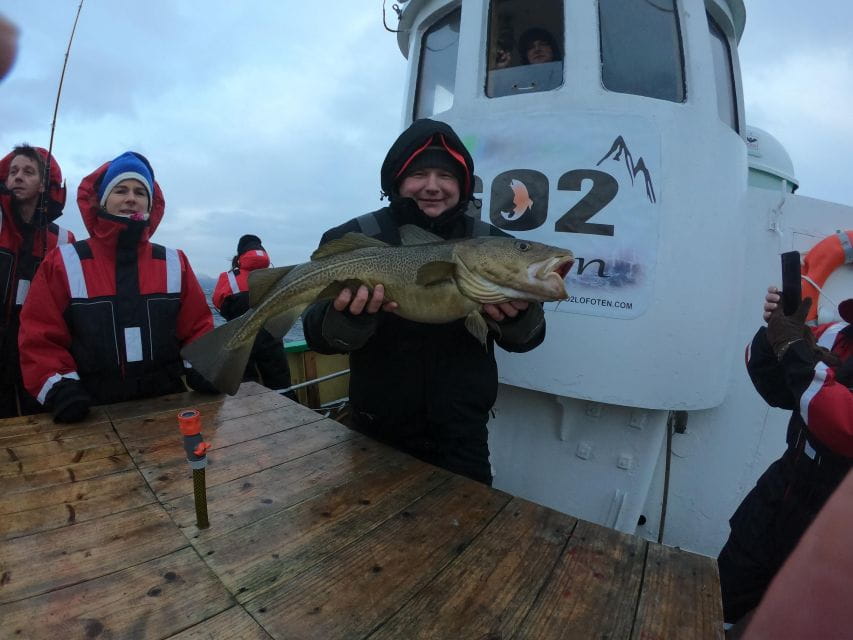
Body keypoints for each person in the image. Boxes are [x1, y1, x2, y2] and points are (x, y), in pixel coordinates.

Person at [302, 118, 547, 485]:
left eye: (446, 176)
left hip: (463, 436)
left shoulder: (494, 244)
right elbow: (315, 333)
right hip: (374, 432)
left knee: (466, 519)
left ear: (462, 185)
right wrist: (349, 319)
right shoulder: (355, 237)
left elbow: (529, 338)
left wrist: (516, 319)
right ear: (397, 181)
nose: (433, 186)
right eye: (418, 174)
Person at [18, 151, 215, 423]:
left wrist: (204, 367)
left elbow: (197, 328)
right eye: (120, 190)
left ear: (150, 204)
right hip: (90, 412)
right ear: (102, 201)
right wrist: (60, 387)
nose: (131, 198)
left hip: (168, 408)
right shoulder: (64, 262)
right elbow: (39, 336)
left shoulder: (174, 262)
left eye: (140, 192)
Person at [717, 286, 853, 630]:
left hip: (838, 524)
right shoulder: (836, 334)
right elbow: (778, 389)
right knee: (718, 598)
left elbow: (843, 424)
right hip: (781, 491)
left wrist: (792, 348)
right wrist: (775, 333)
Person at [0, 145, 75, 417]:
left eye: (29, 172)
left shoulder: (64, 241)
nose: (18, 177)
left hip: (34, 353)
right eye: (13, 172)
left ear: (44, 185)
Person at [213, 234, 293, 395]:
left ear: (240, 255)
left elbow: (217, 302)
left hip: (241, 341)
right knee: (281, 386)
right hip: (271, 340)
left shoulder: (228, 277)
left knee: (247, 389)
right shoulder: (274, 275)